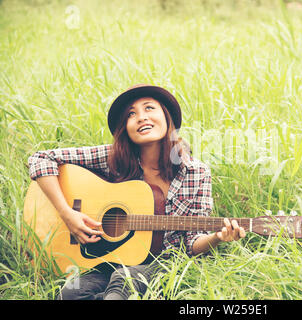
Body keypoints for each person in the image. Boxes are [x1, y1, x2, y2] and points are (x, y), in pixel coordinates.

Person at [27, 84, 246, 300]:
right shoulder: (113, 157)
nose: (141, 117)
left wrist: (218, 237)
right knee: (69, 293)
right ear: (126, 128)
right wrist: (67, 213)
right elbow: (41, 158)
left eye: (149, 108)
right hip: (112, 258)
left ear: (167, 117)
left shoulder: (196, 172)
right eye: (131, 114)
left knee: (123, 280)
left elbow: (192, 242)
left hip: (166, 262)